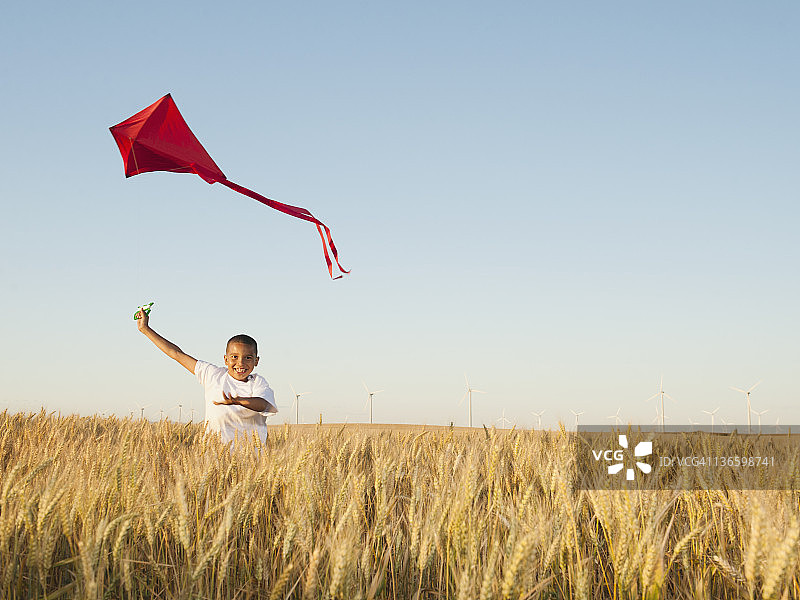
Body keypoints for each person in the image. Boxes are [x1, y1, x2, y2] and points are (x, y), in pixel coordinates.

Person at [135, 308, 278, 442]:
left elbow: (263, 404)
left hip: (249, 460)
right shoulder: (213, 375)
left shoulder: (258, 382)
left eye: (247, 358)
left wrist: (238, 401)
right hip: (212, 456)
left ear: (256, 361)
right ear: (225, 359)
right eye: (234, 357)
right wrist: (145, 329)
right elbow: (176, 354)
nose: (240, 363)